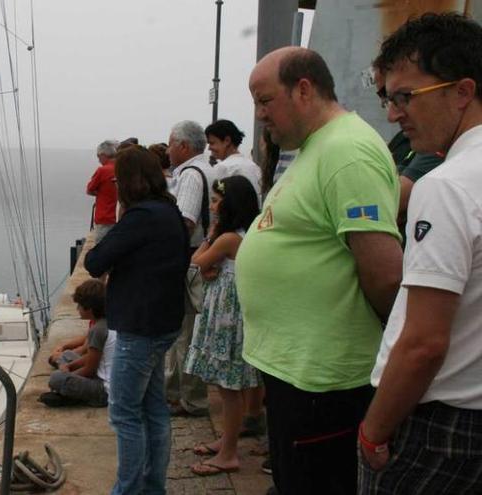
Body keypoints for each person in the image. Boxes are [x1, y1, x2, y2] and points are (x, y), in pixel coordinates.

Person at [237, 46, 404, 495]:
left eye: (264, 100)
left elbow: (386, 275)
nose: (259, 115)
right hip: (300, 374)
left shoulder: (347, 152)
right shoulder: (317, 148)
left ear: (304, 89)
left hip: (327, 384)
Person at [359, 13, 482, 494]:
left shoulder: (448, 186)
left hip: (439, 430)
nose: (393, 114)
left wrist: (373, 433)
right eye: (387, 98)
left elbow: (424, 343)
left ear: (462, 91)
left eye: (405, 97)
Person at [84, 146, 188, 495]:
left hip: (140, 327)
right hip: (163, 322)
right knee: (153, 408)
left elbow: (96, 261)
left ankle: (127, 490)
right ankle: (152, 487)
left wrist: (124, 218)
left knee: (125, 413)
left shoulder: (140, 216)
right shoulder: (169, 210)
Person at [184, 176, 262, 476]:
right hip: (229, 313)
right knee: (230, 384)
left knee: (228, 387)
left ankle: (229, 453)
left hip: (226, 318)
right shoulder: (247, 234)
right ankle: (227, 440)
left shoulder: (229, 238)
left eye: (217, 201)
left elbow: (197, 260)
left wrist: (211, 234)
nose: (212, 207)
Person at [164, 119, 215, 418]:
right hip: (199, 255)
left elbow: (185, 221)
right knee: (188, 333)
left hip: (191, 258)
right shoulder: (205, 168)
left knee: (185, 334)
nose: (168, 149)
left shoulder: (191, 175)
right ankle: (182, 395)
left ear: (184, 146)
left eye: (171, 143)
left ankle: (185, 399)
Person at [372, 68, 444, 233]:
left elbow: (392, 201)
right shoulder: (405, 137)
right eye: (385, 98)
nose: (391, 114)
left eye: (401, 97)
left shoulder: (435, 139)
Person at [41, 279, 115, 408]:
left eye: (79, 306)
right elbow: (93, 357)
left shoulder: (97, 330)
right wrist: (70, 365)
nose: (77, 309)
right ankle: (69, 391)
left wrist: (68, 375)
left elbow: (90, 370)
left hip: (104, 390)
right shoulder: (109, 322)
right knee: (67, 355)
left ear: (89, 309)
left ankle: (75, 396)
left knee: (56, 378)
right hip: (104, 372)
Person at [205, 119, 262, 200]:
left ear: (227, 141)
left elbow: (216, 201)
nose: (209, 148)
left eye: (212, 143)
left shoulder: (223, 168)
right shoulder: (254, 167)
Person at [86, 140, 119, 243]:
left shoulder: (102, 170)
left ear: (104, 155)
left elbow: (89, 189)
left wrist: (100, 193)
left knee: (102, 248)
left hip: (104, 218)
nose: (99, 160)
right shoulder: (122, 168)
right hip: (119, 216)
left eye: (99, 156)